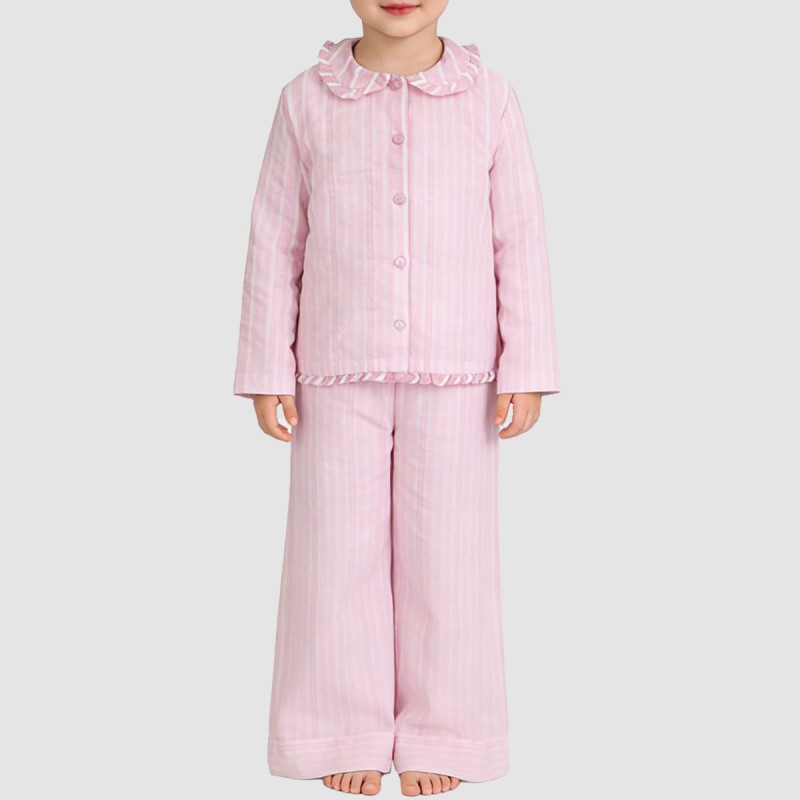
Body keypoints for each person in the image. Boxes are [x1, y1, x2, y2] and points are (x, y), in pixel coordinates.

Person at [233, 0, 559, 795]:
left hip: (459, 374)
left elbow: (519, 237)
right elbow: (276, 238)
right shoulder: (306, 100)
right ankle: (337, 725)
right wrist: (267, 366)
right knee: (331, 556)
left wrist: (527, 364)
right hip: (333, 371)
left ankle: (447, 732)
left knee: (451, 560)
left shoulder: (491, 100)